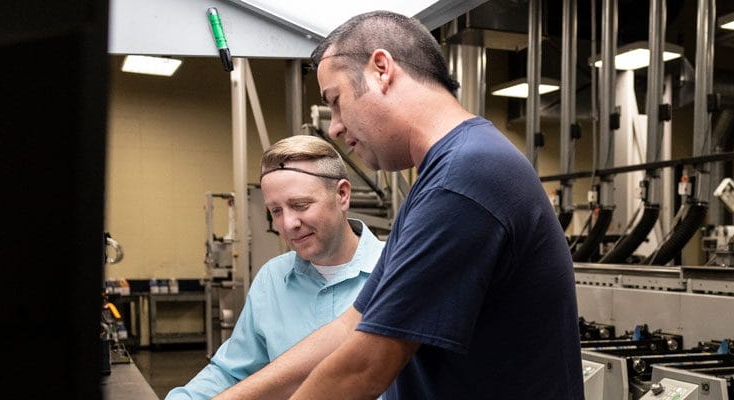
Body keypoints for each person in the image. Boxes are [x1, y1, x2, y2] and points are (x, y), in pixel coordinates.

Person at [216, 10, 579, 400]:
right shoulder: (440, 178)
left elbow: (367, 365)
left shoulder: (466, 177)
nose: (334, 126)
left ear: (381, 69)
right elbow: (349, 329)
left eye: (336, 101)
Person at [167, 135, 385, 399]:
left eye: (300, 205)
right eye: (276, 211)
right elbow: (231, 371)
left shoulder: (395, 271)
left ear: (342, 195)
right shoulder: (273, 278)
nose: (288, 223)